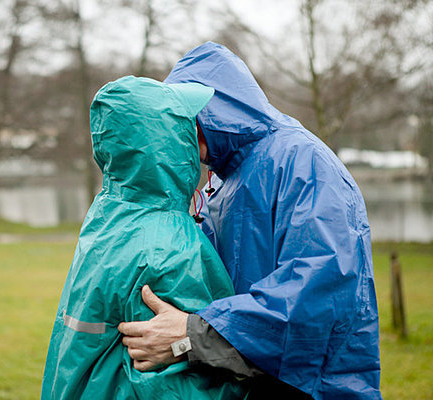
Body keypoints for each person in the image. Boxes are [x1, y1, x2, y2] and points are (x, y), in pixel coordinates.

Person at [119, 42, 382, 400]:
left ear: (217, 108)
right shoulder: (219, 182)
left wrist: (190, 335)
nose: (181, 135)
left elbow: (314, 299)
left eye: (189, 117)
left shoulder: (303, 163)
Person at [41, 76, 248, 399]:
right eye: (186, 126)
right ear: (169, 141)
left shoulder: (107, 215)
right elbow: (175, 384)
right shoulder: (171, 245)